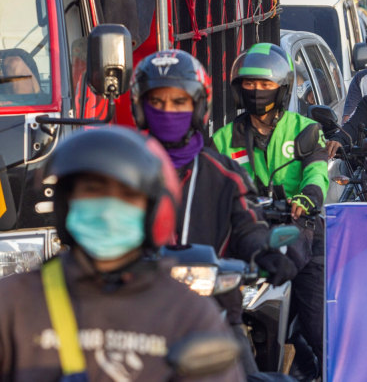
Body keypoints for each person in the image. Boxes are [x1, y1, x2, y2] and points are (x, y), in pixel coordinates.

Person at [0, 126, 244, 381]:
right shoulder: (14, 303)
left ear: (153, 213)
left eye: (128, 195)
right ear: (66, 202)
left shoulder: (187, 315)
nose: (108, 208)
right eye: (93, 190)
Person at [130, 49, 297, 376]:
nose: (168, 111)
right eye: (158, 102)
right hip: (137, 313)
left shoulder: (224, 174)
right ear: (140, 108)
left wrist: (265, 251)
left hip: (213, 313)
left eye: (179, 102)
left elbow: (248, 225)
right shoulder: (123, 170)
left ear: (198, 107)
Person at [212, 42, 329, 379]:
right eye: (249, 84)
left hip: (301, 230)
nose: (257, 91)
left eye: (265, 85)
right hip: (245, 235)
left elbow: (317, 173)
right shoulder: (223, 139)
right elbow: (206, 179)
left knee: (319, 328)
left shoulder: (305, 131)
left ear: (282, 89)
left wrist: (305, 199)